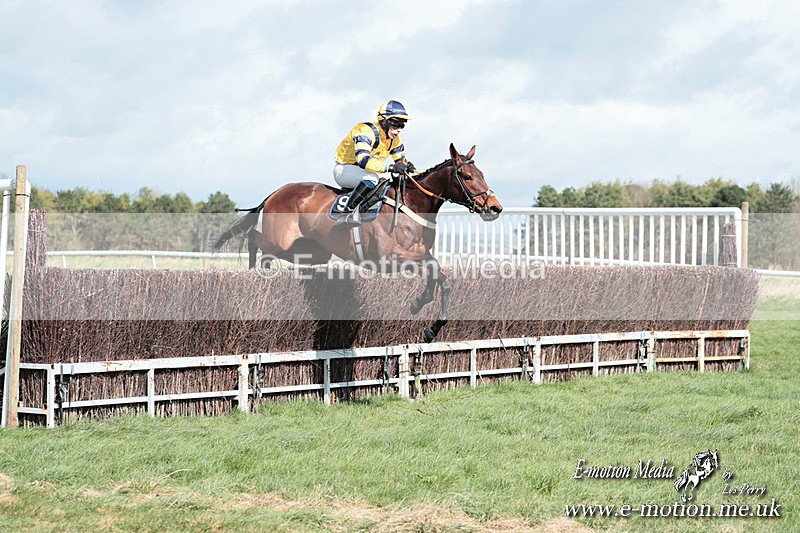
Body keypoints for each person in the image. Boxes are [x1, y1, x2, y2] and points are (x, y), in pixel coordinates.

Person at [333, 100, 417, 227]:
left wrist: (407, 166)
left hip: (364, 172)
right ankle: (346, 214)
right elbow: (363, 161)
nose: (398, 129)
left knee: (391, 180)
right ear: (384, 122)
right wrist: (391, 167)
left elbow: (400, 161)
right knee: (372, 178)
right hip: (344, 170)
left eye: (402, 125)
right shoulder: (364, 131)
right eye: (396, 124)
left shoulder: (395, 140)